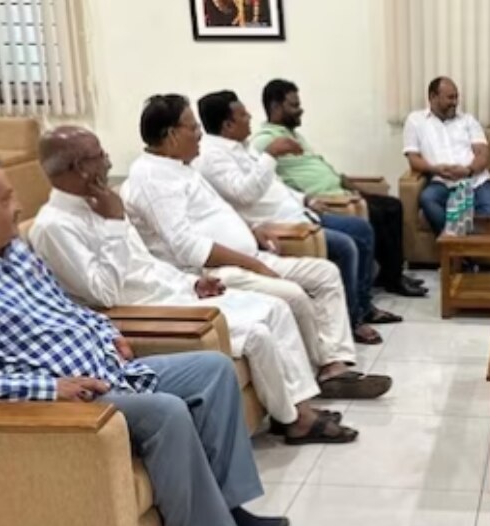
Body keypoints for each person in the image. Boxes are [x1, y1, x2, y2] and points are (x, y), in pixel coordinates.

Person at [0, 150, 285, 526]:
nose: (18, 207)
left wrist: (106, 330)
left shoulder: (12, 251)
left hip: (107, 368)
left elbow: (63, 307)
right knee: (164, 412)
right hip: (58, 399)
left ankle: (227, 507)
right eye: (5, 199)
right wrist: (48, 388)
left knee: (212, 370)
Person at [30, 126, 358, 444]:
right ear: (80, 167)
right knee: (257, 333)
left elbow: (147, 265)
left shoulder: (100, 201)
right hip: (148, 311)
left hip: (174, 293)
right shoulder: (54, 226)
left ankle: (299, 410)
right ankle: (295, 420)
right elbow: (104, 293)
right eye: (100, 156)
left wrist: (191, 283)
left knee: (276, 308)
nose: (108, 162)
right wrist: (115, 224)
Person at [122, 94, 392, 400]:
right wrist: (254, 264)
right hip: (211, 272)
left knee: (325, 274)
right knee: (294, 296)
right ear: (171, 135)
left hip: (248, 255)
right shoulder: (153, 178)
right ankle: (322, 373)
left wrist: (251, 229)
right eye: (193, 128)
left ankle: (334, 365)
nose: (199, 135)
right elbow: (186, 247)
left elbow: (216, 211)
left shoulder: (180, 166)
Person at [194, 90, 401, 346]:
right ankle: (353, 319)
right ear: (227, 125)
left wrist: (306, 199)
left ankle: (363, 305)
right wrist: (270, 155)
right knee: (346, 246)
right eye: (243, 115)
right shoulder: (213, 157)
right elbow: (245, 194)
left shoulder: (244, 148)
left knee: (361, 229)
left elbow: (276, 185)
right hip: (281, 224)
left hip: (301, 212)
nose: (250, 118)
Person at [250, 79, 426, 298]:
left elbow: (329, 171)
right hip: (327, 201)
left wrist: (359, 190)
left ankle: (391, 274)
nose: (300, 110)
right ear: (275, 107)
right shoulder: (264, 142)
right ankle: (392, 280)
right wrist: (306, 198)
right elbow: (268, 183)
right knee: (378, 214)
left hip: (343, 193)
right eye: (294, 105)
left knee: (393, 206)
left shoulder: (294, 135)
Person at [403, 76, 490, 233]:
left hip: (475, 181)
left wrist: (468, 170)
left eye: (456, 97)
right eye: (450, 97)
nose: (455, 102)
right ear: (433, 97)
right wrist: (435, 169)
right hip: (442, 182)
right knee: (428, 199)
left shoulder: (468, 120)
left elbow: (483, 154)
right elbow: (413, 159)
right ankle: (453, 240)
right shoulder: (415, 121)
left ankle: (464, 244)